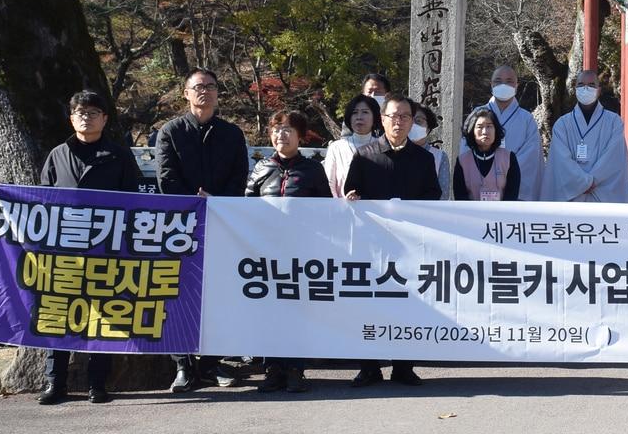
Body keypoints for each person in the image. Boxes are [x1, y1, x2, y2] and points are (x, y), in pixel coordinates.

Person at [36, 90, 141, 405]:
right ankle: (55, 384)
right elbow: (42, 199)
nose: (87, 117)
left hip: (106, 250)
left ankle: (98, 384)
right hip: (64, 251)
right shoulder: (57, 155)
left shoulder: (120, 156)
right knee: (58, 315)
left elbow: (136, 201)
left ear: (105, 119)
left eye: (93, 112)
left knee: (103, 318)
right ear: (71, 118)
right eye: (81, 112)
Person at [154, 68, 248, 392]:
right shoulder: (170, 132)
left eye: (210, 86)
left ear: (218, 93)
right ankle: (183, 365)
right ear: (186, 93)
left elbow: (239, 178)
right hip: (180, 225)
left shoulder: (232, 134)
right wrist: (194, 202)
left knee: (217, 294)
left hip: (221, 223)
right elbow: (166, 178)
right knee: (179, 295)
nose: (204, 91)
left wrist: (217, 201)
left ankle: (211, 363)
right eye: (197, 87)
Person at [342, 93, 443, 387]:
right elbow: (352, 190)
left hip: (408, 245)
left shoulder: (424, 158)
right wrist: (353, 197)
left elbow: (433, 195)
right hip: (371, 245)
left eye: (405, 117)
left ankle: (403, 366)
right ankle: (368, 367)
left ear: (412, 122)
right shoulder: (365, 155)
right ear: (382, 119)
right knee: (369, 304)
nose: (398, 122)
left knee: (407, 305)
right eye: (393, 116)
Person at [244, 110, 330, 393]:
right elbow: (243, 209)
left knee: (297, 311)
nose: (281, 135)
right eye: (276, 129)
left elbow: (328, 211)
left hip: (300, 254)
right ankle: (272, 369)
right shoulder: (260, 169)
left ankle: (295, 369)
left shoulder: (313, 170)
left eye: (288, 130)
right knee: (268, 311)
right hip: (265, 254)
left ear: (300, 136)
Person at [542, 70, 628, 203]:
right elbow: (561, 160)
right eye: (581, 85)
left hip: (602, 193)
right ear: (575, 89)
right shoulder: (562, 124)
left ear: (599, 90)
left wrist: (593, 180)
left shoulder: (614, 122)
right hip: (573, 196)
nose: (586, 88)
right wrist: (583, 182)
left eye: (591, 85)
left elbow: (613, 156)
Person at [482, 65, 544, 201]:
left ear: (517, 85)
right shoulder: (478, 115)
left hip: (517, 188)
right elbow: (467, 151)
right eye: (498, 81)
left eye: (509, 81)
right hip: (483, 185)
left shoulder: (527, 119)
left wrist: (508, 173)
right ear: (491, 84)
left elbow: (531, 155)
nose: (503, 85)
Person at [453, 107, 521, 201]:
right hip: (470, 210)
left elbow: (512, 194)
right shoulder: (462, 161)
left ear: (496, 130)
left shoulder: (509, 158)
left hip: (503, 210)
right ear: (472, 131)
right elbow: (460, 196)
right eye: (480, 127)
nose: (485, 132)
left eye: (489, 126)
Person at [324, 94, 381, 198]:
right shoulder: (336, 148)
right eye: (355, 113)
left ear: (375, 117)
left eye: (365, 112)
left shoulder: (382, 146)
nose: (359, 117)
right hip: (341, 206)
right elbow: (329, 184)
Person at [411, 102, 451, 199]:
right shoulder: (396, 152)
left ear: (428, 128)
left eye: (418, 121)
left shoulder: (440, 157)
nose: (413, 125)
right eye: (409, 120)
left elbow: (443, 193)